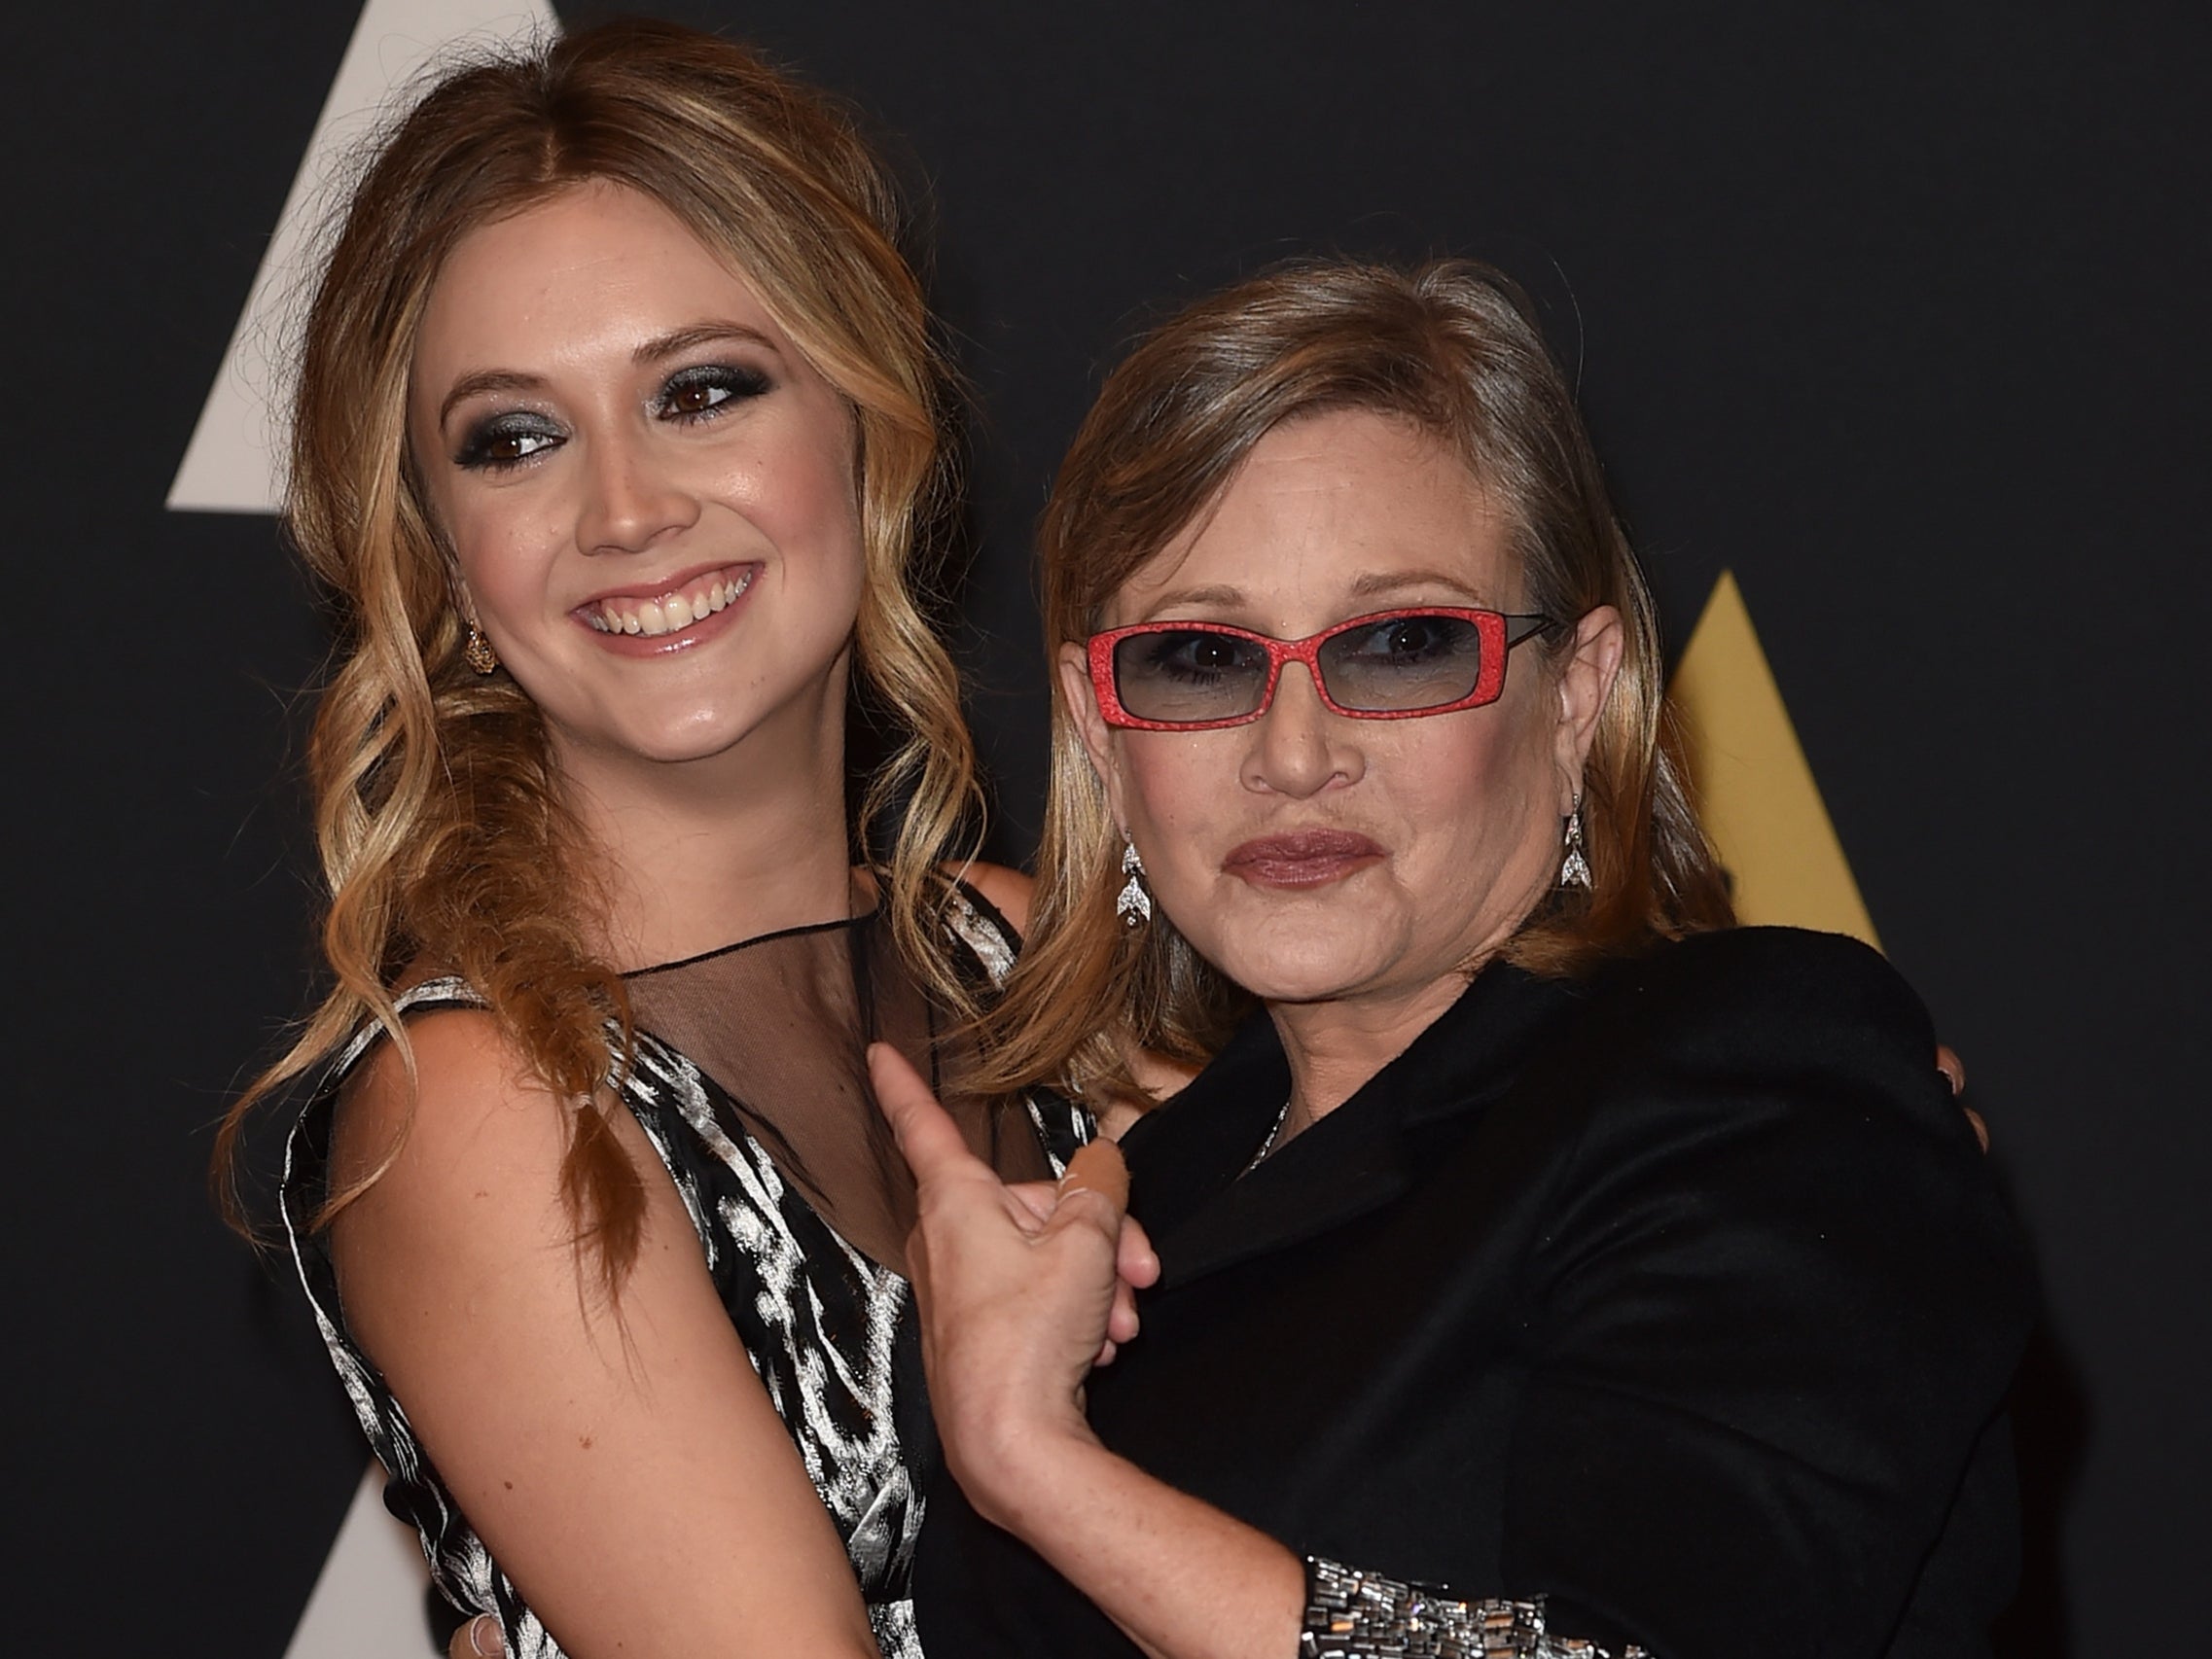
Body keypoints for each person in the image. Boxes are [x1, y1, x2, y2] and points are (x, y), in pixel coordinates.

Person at [887, 259, 2035, 1658]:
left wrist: (1038, 1468)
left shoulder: (1744, 1078)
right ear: (1101, 731)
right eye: (1199, 659)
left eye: (1404, 644)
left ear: (1577, 697)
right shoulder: (1142, 1195)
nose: (1293, 753)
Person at [214, 21, 1113, 1658]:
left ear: (863, 421)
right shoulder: (489, 1108)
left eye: (702, 391)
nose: (624, 509)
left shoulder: (1041, 957)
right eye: (515, 437)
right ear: (439, 554)